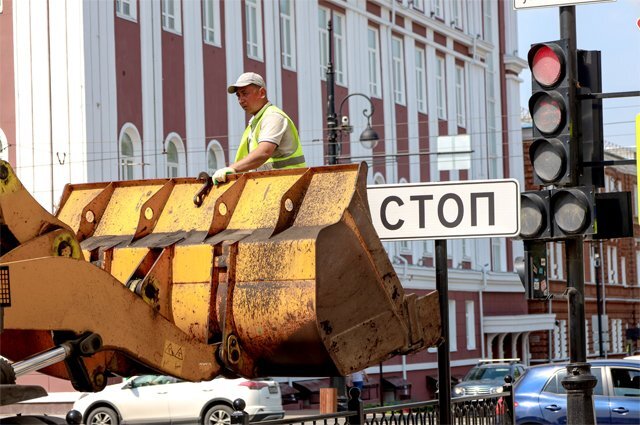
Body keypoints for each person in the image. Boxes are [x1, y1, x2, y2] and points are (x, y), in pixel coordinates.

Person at [212, 72, 306, 184]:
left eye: (244, 93)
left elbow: (264, 152)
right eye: (238, 95)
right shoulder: (257, 122)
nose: (241, 100)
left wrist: (232, 169)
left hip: (288, 185)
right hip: (272, 186)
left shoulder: (273, 117)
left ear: (262, 93)